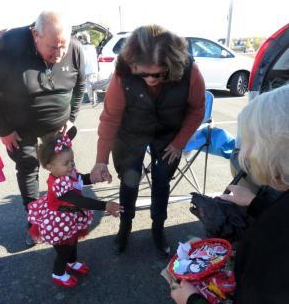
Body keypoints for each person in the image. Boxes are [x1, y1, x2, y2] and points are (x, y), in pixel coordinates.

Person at [90, 24, 205, 257]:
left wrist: (179, 142)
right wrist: (100, 161)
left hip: (168, 133)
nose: (151, 79)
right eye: (143, 74)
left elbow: (197, 109)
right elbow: (110, 118)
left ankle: (158, 227)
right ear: (132, 65)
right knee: (129, 180)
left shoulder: (190, 71)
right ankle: (125, 226)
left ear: (171, 65)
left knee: (162, 179)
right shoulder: (121, 75)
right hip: (131, 131)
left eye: (159, 74)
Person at [171, 84, 289, 304]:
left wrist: (192, 299)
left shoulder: (274, 252)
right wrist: (255, 203)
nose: (244, 153)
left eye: (249, 143)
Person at [0, 10, 85, 245]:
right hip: (19, 128)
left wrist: (71, 115)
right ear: (35, 35)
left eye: (63, 46)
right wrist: (4, 130)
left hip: (58, 127)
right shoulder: (9, 48)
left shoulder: (73, 49)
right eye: (53, 47)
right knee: (28, 168)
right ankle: (35, 224)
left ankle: (67, 213)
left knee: (65, 168)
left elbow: (81, 84)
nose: (59, 53)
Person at [27, 133, 122, 287]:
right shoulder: (57, 184)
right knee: (63, 251)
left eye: (72, 161)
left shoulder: (66, 171)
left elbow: (80, 178)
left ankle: (72, 263)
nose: (71, 165)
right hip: (58, 221)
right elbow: (79, 200)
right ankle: (58, 274)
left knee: (73, 242)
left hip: (69, 216)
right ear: (50, 167)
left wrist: (96, 177)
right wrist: (105, 205)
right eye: (66, 163)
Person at [78, 32, 99, 104]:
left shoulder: (83, 47)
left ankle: (92, 100)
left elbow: (84, 59)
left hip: (88, 69)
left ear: (83, 39)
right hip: (94, 68)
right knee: (94, 84)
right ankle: (95, 98)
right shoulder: (93, 47)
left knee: (89, 85)